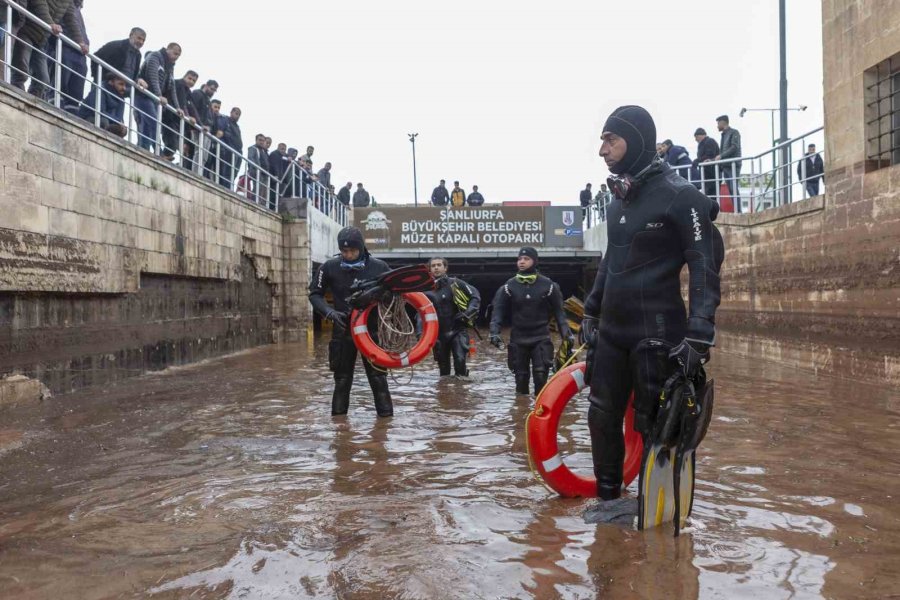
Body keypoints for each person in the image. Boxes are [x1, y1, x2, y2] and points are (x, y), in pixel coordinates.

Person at [581, 105, 722, 520]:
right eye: (602, 141)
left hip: (658, 332)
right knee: (600, 416)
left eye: (611, 140)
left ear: (637, 141)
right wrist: (591, 311)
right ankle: (609, 501)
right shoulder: (617, 202)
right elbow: (611, 260)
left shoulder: (683, 197)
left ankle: (653, 507)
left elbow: (703, 265)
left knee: (654, 423)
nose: (602, 150)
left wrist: (700, 333)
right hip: (612, 330)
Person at [308, 227, 393, 417]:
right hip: (343, 330)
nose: (348, 255)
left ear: (361, 247)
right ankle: (339, 430)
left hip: (372, 332)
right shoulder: (329, 267)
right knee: (342, 380)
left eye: (353, 251)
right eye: (344, 251)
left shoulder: (379, 267)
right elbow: (314, 294)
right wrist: (330, 313)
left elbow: (394, 293)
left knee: (378, 379)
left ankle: (385, 427)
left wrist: (376, 294)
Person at [490, 247, 574, 396]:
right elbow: (498, 312)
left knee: (541, 376)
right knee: (521, 380)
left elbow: (560, 314)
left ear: (535, 261)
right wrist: (494, 332)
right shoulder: (508, 286)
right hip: (518, 339)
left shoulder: (549, 286)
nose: (521, 262)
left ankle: (539, 413)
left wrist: (567, 335)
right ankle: (521, 414)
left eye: (526, 259)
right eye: (519, 259)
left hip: (541, 338)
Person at [11, 0, 86, 100]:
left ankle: (33, 103)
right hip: (27, 31)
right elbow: (39, 5)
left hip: (41, 40)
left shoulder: (67, 2)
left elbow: (71, 20)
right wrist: (50, 23)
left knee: (43, 80)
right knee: (21, 70)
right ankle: (16, 97)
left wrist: (80, 41)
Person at [423, 257, 481, 377]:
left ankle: (461, 391)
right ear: (430, 270)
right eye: (433, 266)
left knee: (460, 361)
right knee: (443, 371)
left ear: (445, 268)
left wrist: (468, 313)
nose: (436, 268)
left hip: (457, 330)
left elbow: (475, 296)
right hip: (438, 334)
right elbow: (420, 314)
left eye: (439, 265)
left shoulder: (456, 283)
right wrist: (421, 334)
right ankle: (445, 393)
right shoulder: (426, 291)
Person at [134, 43, 182, 154]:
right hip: (144, 96)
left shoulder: (170, 66)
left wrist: (178, 107)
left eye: (178, 55)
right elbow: (153, 77)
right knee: (154, 124)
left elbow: (172, 87)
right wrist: (159, 95)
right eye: (175, 53)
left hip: (153, 100)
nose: (176, 57)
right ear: (168, 49)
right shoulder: (155, 56)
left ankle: (142, 150)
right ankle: (159, 152)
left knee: (146, 129)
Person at [173, 70, 200, 170]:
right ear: (184, 76)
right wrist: (188, 117)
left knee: (183, 147)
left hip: (180, 120)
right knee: (172, 142)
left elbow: (191, 107)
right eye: (189, 78)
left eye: (194, 81)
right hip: (172, 116)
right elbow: (182, 103)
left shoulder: (188, 91)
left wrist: (199, 124)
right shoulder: (178, 84)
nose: (191, 82)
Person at [190, 79, 218, 174]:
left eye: (214, 90)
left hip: (206, 130)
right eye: (211, 89)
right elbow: (192, 108)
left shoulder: (207, 100)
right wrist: (200, 124)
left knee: (204, 155)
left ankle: (199, 172)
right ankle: (196, 173)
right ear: (206, 86)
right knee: (200, 152)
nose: (212, 92)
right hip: (199, 128)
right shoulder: (197, 93)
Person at [715, 115, 742, 209]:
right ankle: (737, 210)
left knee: (733, 188)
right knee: (731, 189)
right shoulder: (724, 135)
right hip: (726, 165)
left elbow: (734, 147)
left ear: (723, 122)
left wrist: (721, 156)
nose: (717, 126)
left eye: (718, 123)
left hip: (733, 165)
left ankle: (738, 211)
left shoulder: (734, 132)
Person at [217, 106, 243, 189]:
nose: (237, 116)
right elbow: (220, 133)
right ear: (231, 112)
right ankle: (225, 187)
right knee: (226, 172)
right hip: (228, 150)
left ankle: (229, 187)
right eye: (236, 113)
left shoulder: (237, 127)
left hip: (237, 152)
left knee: (234, 172)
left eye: (239, 115)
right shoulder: (225, 120)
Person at [692, 127, 720, 198]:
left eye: (696, 137)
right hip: (706, 173)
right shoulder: (702, 144)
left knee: (712, 193)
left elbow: (710, 155)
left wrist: (697, 160)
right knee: (707, 193)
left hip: (712, 172)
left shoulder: (709, 141)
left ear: (700, 135)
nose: (695, 140)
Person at [247, 133, 270, 204]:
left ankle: (261, 203)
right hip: (256, 171)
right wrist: (257, 168)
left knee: (264, 190)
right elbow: (251, 159)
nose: (261, 142)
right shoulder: (252, 148)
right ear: (256, 140)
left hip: (264, 173)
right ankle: (254, 201)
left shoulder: (263, 151)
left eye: (263, 140)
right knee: (257, 187)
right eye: (260, 140)